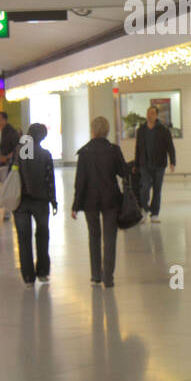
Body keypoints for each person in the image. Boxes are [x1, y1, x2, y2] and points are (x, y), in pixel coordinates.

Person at [71, 116, 129, 287]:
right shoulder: (114, 150)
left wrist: (75, 205)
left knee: (94, 236)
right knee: (110, 238)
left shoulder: (84, 152)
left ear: (93, 131)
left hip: (90, 201)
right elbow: (123, 172)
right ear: (107, 131)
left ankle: (96, 275)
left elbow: (80, 181)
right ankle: (108, 277)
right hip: (111, 199)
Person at [11, 122, 57, 287]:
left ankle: (28, 277)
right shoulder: (45, 154)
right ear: (42, 136)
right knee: (42, 236)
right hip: (41, 201)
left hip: (20, 202)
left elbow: (12, 173)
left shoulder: (20, 151)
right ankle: (43, 272)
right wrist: (53, 200)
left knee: (23, 239)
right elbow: (49, 180)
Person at [134, 106, 176, 223]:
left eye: (152, 113)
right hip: (145, 165)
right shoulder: (141, 130)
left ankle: (155, 214)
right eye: (148, 113)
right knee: (145, 187)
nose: (149, 115)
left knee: (157, 189)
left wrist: (172, 161)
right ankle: (145, 209)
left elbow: (170, 147)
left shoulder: (163, 130)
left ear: (156, 115)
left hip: (159, 165)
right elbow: (138, 148)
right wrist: (136, 164)